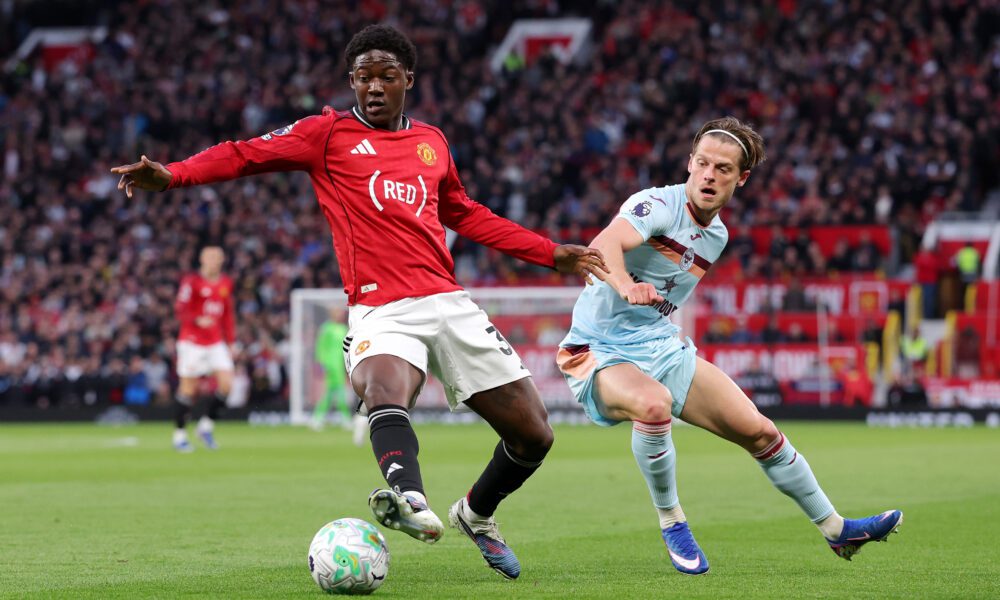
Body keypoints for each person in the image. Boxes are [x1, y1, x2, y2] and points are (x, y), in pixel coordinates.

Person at [112, 24, 606, 580]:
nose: (373, 86)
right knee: (382, 387)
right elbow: (244, 155)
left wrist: (549, 253)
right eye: (363, 77)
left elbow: (464, 213)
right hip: (380, 307)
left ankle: (475, 514)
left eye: (385, 76)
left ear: (407, 80)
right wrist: (173, 175)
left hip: (447, 300)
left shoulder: (433, 143)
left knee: (534, 434)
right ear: (351, 81)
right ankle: (410, 499)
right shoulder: (325, 134)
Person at [557, 117, 901, 575]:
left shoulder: (716, 237)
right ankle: (672, 521)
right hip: (597, 350)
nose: (708, 175)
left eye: (722, 168)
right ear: (689, 163)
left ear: (741, 178)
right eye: (702, 163)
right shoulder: (656, 204)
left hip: (660, 347)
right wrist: (624, 285)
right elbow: (605, 243)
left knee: (759, 431)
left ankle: (837, 529)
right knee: (654, 405)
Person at [170, 246, 236, 452]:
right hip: (192, 342)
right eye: (211, 257)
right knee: (189, 389)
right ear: (202, 259)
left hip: (215, 341)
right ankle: (179, 435)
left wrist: (231, 341)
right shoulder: (191, 282)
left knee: (227, 384)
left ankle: (205, 427)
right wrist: (197, 319)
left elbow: (227, 313)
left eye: (218, 257)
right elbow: (180, 310)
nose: (215, 261)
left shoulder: (225, 283)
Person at [311, 306, 367, 445]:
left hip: (340, 364)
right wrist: (321, 363)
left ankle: (318, 419)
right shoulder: (326, 328)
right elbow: (321, 347)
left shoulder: (343, 329)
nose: (340, 316)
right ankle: (344, 419)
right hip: (329, 364)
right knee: (338, 393)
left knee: (331, 394)